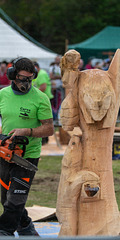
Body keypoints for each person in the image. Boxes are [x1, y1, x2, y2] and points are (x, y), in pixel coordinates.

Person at [0, 57, 54, 236]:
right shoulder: (3, 94)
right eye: (23, 78)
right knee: (5, 199)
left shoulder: (41, 98)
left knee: (15, 200)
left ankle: (4, 231)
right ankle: (28, 231)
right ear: (13, 75)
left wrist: (27, 131)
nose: (26, 83)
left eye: (30, 79)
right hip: (5, 152)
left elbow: (49, 128)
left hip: (27, 155)